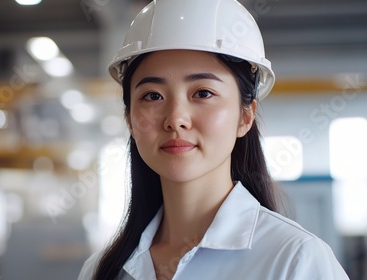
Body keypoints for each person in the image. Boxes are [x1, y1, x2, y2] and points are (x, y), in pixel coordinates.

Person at [78, 0, 349, 279]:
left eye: (203, 93)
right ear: (130, 120)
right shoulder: (102, 271)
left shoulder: (295, 260)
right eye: (153, 96)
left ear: (245, 116)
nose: (176, 119)